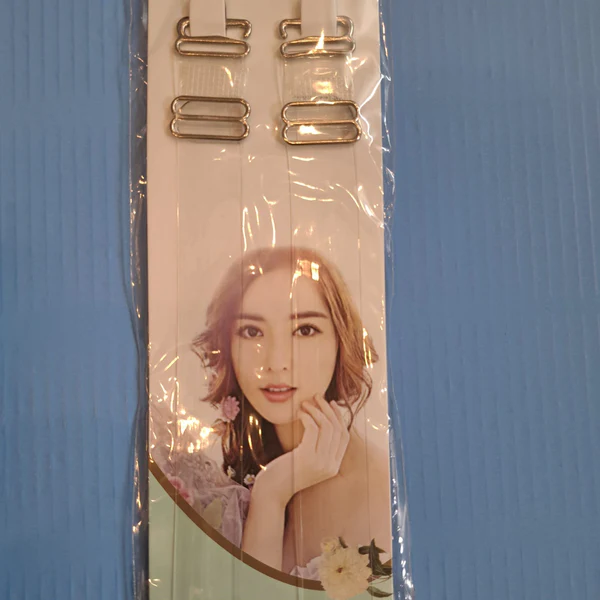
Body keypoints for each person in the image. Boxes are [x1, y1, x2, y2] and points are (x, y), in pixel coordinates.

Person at [190, 245, 392, 579]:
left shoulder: (376, 493)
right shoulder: (239, 464)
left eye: (305, 330)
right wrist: (272, 491)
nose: (276, 362)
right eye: (252, 331)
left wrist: (271, 494)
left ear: (341, 340)